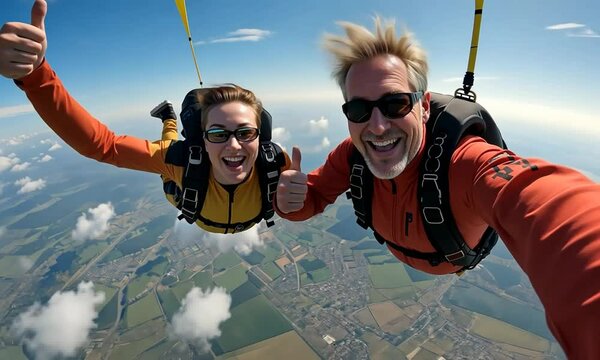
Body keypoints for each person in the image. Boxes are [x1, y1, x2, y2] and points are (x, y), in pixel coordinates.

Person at [275, 17, 600, 358]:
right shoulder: (351, 154)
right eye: (358, 109)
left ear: (424, 106)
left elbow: (547, 201)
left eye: (395, 103)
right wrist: (290, 201)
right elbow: (310, 198)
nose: (378, 126)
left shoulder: (466, 163)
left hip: (451, 260)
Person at [0, 0, 290, 234]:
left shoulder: (275, 163)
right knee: (170, 149)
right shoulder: (182, 161)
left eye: (245, 132)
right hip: (181, 180)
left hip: (204, 205)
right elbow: (102, 145)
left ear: (260, 134)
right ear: (202, 139)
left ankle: (168, 117)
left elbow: (318, 191)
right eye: (217, 134)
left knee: (169, 150)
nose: (234, 145)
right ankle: (169, 119)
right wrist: (37, 77)